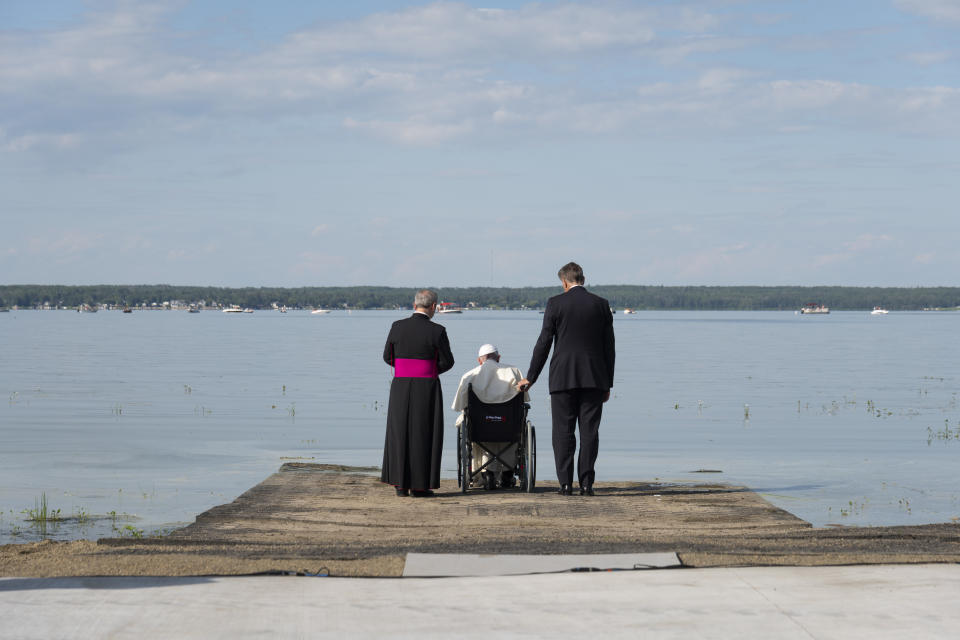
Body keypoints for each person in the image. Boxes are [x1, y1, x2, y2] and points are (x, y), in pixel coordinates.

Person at [516, 262, 615, 496]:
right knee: (590, 432)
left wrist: (531, 377)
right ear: (583, 278)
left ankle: (566, 484)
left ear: (564, 281)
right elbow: (609, 348)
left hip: (562, 377)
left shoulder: (555, 303)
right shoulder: (601, 304)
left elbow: (544, 343)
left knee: (563, 431)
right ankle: (587, 484)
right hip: (594, 378)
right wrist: (607, 382)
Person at [381, 289, 455, 497]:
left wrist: (407, 369)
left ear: (415, 305)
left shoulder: (397, 326)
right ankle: (420, 487)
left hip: (400, 386)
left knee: (399, 432)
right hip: (427, 387)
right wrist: (427, 370)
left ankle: (400, 485)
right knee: (424, 432)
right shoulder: (437, 331)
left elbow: (387, 357)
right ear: (433, 306)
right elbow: (447, 361)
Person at [451, 344, 530, 490]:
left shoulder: (469, 375)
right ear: (498, 358)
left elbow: (458, 406)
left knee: (471, 422)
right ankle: (507, 473)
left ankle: (487, 474)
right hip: (509, 428)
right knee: (511, 425)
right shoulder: (514, 372)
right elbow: (524, 399)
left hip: (480, 429)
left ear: (479, 360)